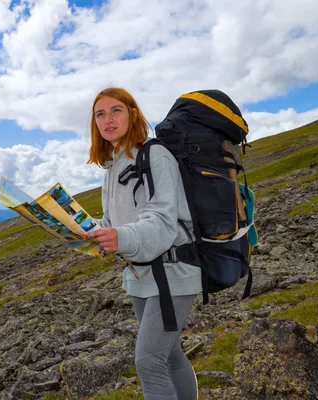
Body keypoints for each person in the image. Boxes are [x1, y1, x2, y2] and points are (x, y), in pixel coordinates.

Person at [85, 87, 201, 400]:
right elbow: (113, 221)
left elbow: (162, 221)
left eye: (116, 110)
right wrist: (89, 233)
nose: (108, 119)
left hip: (174, 270)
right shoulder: (112, 167)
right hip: (140, 274)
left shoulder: (156, 155)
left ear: (133, 114)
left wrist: (121, 237)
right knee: (170, 354)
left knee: (149, 361)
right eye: (100, 114)